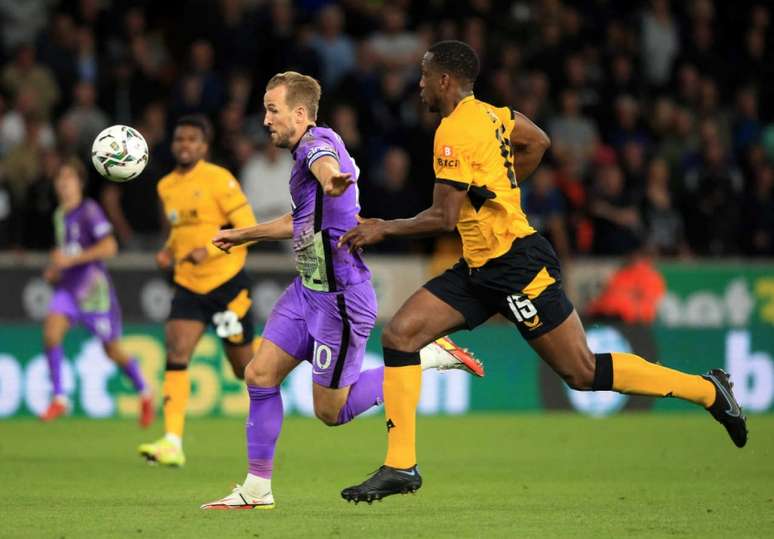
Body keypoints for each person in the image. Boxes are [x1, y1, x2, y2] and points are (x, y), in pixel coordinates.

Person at [338, 40, 748, 503]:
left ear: (445, 81)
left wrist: (382, 228)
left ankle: (709, 392)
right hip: (478, 267)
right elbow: (538, 141)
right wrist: (499, 189)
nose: (419, 85)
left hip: (516, 267)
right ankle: (401, 465)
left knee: (582, 371)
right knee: (402, 335)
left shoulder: (452, 131)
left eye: (425, 76)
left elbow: (444, 217)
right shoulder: (494, 115)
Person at [199, 72, 483, 510]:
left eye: (272, 109)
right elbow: (300, 220)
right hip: (306, 290)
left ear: (299, 113)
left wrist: (333, 179)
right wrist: (243, 234)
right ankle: (256, 489)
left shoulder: (316, 146)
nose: (266, 119)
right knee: (258, 375)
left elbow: (326, 164)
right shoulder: (303, 152)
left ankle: (427, 355)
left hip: (340, 301)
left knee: (331, 412)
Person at [137, 115, 258, 466]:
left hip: (226, 285)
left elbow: (248, 228)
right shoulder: (166, 186)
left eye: (192, 139)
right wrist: (168, 250)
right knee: (177, 352)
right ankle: (172, 441)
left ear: (204, 146)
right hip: (188, 284)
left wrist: (211, 248)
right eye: (180, 139)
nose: (185, 145)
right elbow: (179, 231)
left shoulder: (220, 180)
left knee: (243, 369)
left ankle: (278, 351)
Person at [40, 158, 153, 426]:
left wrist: (70, 261)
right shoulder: (59, 215)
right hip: (68, 288)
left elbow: (109, 247)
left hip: (94, 292)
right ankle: (59, 397)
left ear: (79, 182)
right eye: (60, 179)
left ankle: (145, 392)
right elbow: (68, 252)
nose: (64, 184)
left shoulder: (89, 210)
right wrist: (56, 269)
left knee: (112, 350)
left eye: (69, 178)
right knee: (51, 333)